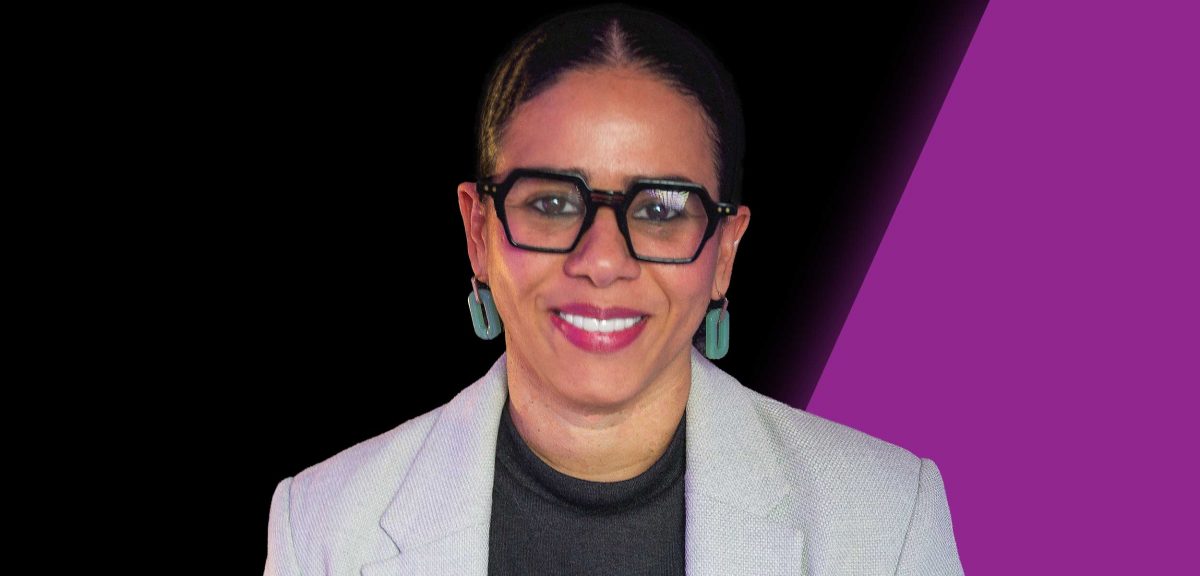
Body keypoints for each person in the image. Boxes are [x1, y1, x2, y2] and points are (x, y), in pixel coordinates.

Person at [263, 3, 964, 575]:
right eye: (551, 203)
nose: (602, 262)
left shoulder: (887, 519)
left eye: (660, 210)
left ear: (724, 251)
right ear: (478, 232)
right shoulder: (322, 526)